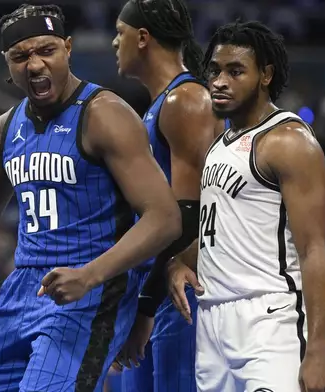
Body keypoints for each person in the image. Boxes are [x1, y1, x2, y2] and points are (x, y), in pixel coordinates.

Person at [0, 4, 182, 392]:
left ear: (67, 47)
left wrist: (90, 275)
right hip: (24, 286)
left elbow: (164, 217)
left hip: (93, 285)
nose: (34, 65)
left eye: (46, 50)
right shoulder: (3, 129)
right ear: (7, 63)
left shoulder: (105, 114)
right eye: (21, 56)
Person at [167, 20, 325, 391]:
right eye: (215, 70)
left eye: (235, 71)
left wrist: (318, 351)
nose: (220, 81)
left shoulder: (288, 141)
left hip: (269, 320)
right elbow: (221, 234)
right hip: (212, 320)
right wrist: (180, 264)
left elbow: (314, 249)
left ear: (265, 75)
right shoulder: (221, 143)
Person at [112, 0, 220, 390]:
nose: (113, 43)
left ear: (143, 39)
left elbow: (188, 217)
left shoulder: (185, 101)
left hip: (176, 290)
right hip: (151, 286)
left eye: (119, 34)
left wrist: (146, 308)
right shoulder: (158, 106)